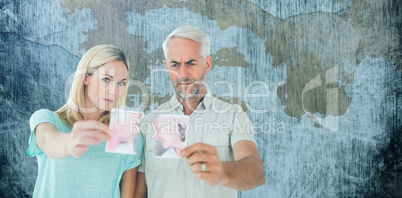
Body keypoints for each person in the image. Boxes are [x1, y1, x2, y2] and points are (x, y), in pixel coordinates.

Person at [135, 26, 265, 198]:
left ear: (207, 64)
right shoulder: (148, 123)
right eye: (175, 64)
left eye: (191, 63)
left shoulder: (232, 115)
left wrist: (223, 172)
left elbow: (255, 173)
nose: (182, 74)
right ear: (167, 67)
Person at [27, 44, 143, 198]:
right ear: (85, 77)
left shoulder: (125, 131)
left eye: (121, 83)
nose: (114, 91)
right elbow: (49, 141)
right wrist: (69, 142)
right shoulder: (46, 118)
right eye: (106, 79)